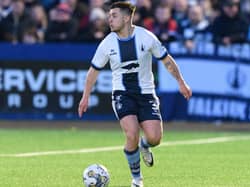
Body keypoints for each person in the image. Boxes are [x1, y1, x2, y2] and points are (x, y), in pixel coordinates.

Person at [78, 2, 192, 187]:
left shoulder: (146, 37)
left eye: (114, 15)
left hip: (146, 94)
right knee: (131, 134)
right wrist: (85, 96)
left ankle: (145, 146)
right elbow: (93, 71)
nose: (109, 19)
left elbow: (167, 61)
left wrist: (181, 82)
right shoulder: (107, 43)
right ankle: (137, 180)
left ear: (126, 17)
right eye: (109, 16)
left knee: (155, 138)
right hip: (122, 94)